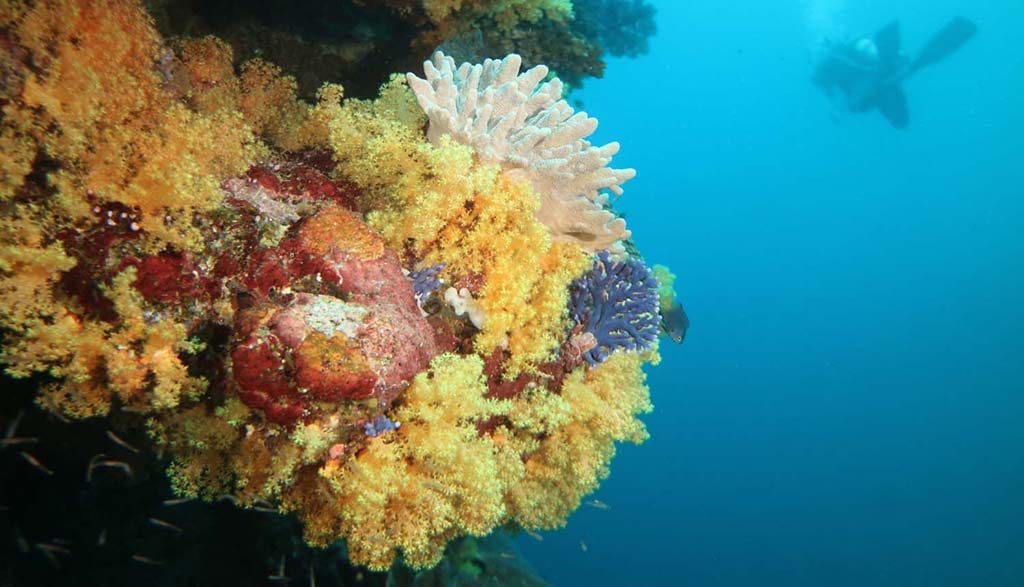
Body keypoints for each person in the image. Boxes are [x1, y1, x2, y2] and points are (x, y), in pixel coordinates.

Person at [813, 17, 977, 128]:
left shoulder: (828, 65)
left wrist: (834, 109)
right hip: (881, 78)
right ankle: (895, 65)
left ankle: (894, 66)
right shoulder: (838, 59)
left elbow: (832, 92)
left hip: (877, 81)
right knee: (904, 72)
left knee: (894, 79)